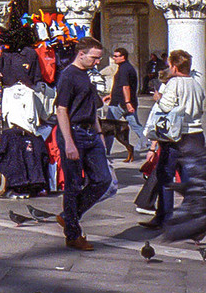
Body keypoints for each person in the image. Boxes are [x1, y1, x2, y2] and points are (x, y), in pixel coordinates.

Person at [55, 36, 112, 251]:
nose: (97, 62)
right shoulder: (68, 76)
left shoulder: (86, 75)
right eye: (95, 58)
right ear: (81, 54)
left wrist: (99, 132)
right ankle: (73, 234)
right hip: (75, 134)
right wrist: (68, 142)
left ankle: (69, 215)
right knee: (73, 185)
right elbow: (62, 110)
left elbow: (90, 106)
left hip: (90, 134)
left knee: (102, 179)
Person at [143, 50, 205, 230]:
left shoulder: (174, 83)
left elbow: (166, 106)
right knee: (188, 176)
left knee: (166, 175)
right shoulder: (196, 84)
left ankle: (164, 216)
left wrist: (158, 98)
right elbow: (200, 108)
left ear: (174, 67)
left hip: (176, 135)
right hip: (196, 133)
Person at [101, 47, 144, 161]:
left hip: (120, 103)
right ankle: (149, 145)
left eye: (116, 56)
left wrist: (127, 102)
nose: (114, 58)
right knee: (135, 125)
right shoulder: (125, 67)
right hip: (123, 101)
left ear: (122, 57)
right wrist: (111, 95)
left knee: (108, 128)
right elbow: (119, 85)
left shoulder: (125, 69)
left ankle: (106, 152)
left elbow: (125, 86)